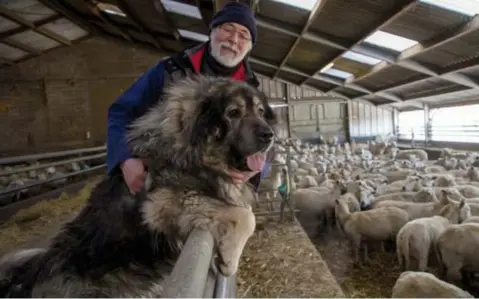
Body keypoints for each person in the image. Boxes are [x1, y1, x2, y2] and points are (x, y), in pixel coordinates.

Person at [106, 2, 271, 195]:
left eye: (244, 35)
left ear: (249, 47)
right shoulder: (170, 70)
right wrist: (125, 160)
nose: (234, 39)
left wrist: (255, 172)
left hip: (219, 187)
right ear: (212, 31)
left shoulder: (251, 90)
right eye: (228, 29)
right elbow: (121, 111)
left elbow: (266, 141)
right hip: (165, 181)